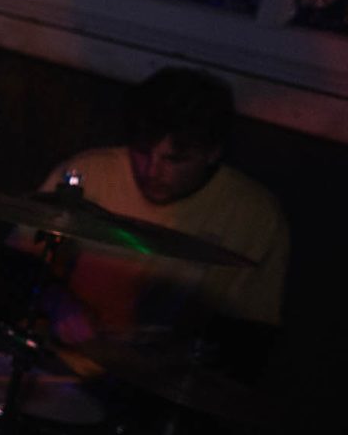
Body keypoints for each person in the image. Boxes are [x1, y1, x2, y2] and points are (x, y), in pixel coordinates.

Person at [36, 66, 289, 343]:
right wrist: (59, 303)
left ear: (213, 152)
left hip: (162, 377)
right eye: (142, 152)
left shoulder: (253, 215)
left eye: (174, 159)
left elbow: (251, 334)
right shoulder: (90, 172)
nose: (152, 171)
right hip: (62, 354)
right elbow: (18, 265)